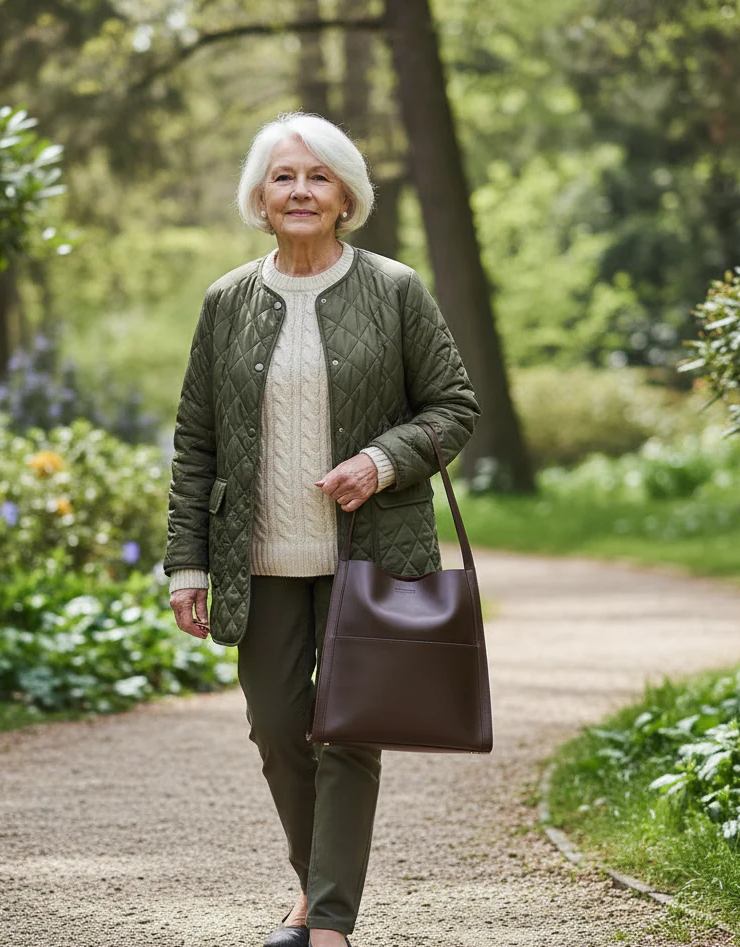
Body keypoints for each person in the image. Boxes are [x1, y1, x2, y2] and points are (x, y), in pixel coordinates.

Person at [164, 112, 481, 947]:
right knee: (276, 728)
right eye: (282, 177)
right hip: (257, 558)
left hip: (370, 555)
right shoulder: (226, 301)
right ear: (259, 199)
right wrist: (186, 566)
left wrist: (380, 461)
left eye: (318, 177)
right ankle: (316, 884)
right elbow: (195, 442)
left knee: (348, 734)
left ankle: (328, 920)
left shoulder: (394, 288)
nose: (300, 190)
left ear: (346, 196)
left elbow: (453, 407)